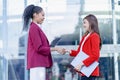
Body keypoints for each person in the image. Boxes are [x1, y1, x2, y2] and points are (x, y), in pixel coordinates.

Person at [22, 4, 65, 80]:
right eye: (42, 15)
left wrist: (51, 47)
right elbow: (39, 48)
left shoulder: (35, 27)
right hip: (37, 64)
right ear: (35, 15)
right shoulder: (34, 28)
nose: (44, 18)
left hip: (38, 64)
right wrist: (56, 49)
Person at [65, 14, 102, 80]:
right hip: (85, 71)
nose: (83, 25)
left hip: (90, 72)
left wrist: (81, 64)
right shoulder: (85, 37)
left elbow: (95, 55)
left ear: (91, 23)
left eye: (85, 22)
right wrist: (70, 51)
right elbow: (80, 53)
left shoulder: (94, 36)